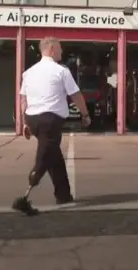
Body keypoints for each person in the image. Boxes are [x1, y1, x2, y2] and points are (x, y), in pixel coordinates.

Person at [18, 36, 91, 206]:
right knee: (44, 157)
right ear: (51, 50)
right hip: (50, 120)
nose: (62, 51)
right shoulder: (61, 71)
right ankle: (30, 184)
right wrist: (85, 115)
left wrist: (25, 123)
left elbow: (23, 99)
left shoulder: (28, 72)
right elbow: (75, 95)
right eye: (60, 48)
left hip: (33, 119)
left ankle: (63, 195)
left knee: (54, 157)